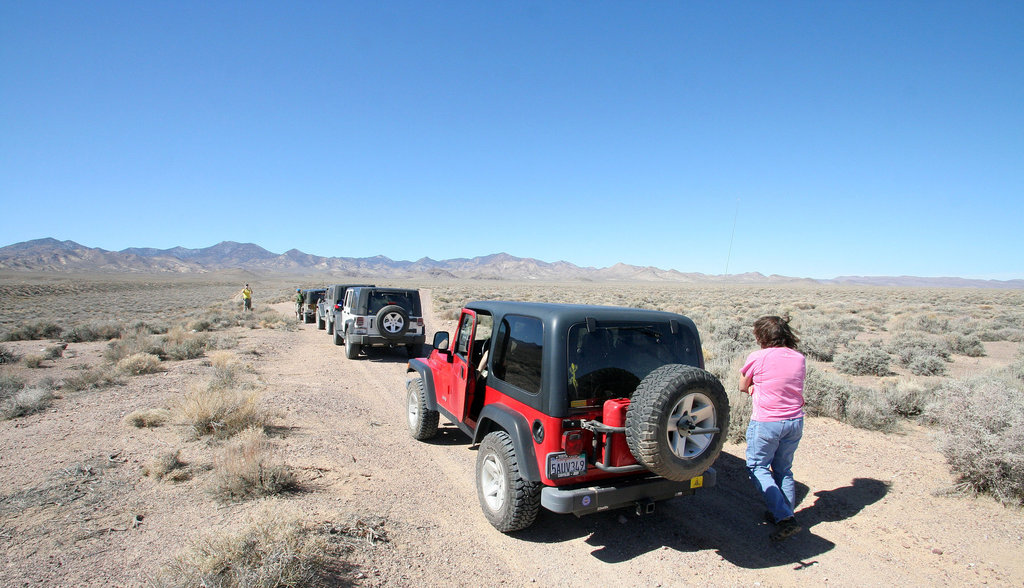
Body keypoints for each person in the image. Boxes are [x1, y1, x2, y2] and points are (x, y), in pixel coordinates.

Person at [739, 315, 806, 542]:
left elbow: (742, 385)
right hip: (795, 420)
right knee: (783, 470)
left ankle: (785, 518)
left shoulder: (759, 357)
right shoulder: (799, 358)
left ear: (761, 336)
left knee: (757, 466)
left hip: (767, 421)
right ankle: (784, 514)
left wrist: (753, 387)